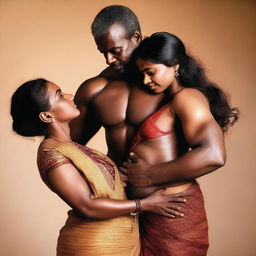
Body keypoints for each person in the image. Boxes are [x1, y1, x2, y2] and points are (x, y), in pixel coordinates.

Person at [10, 78, 186, 256]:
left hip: (120, 242)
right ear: (47, 116)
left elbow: (100, 188)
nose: (71, 96)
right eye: (60, 96)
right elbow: (87, 206)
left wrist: (126, 177)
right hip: (94, 246)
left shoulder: (74, 148)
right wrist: (145, 204)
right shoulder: (51, 153)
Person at [119, 32, 239, 255]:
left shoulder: (188, 97)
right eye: (142, 74)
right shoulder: (173, 99)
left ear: (174, 65)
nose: (146, 80)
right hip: (155, 215)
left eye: (151, 72)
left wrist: (148, 176)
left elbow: (214, 155)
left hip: (174, 216)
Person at [70, 5, 167, 165]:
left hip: (167, 187)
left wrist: (153, 177)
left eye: (115, 50)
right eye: (103, 52)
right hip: (117, 187)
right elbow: (65, 148)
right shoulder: (95, 89)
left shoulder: (169, 81)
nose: (109, 60)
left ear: (136, 37)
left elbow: (209, 150)